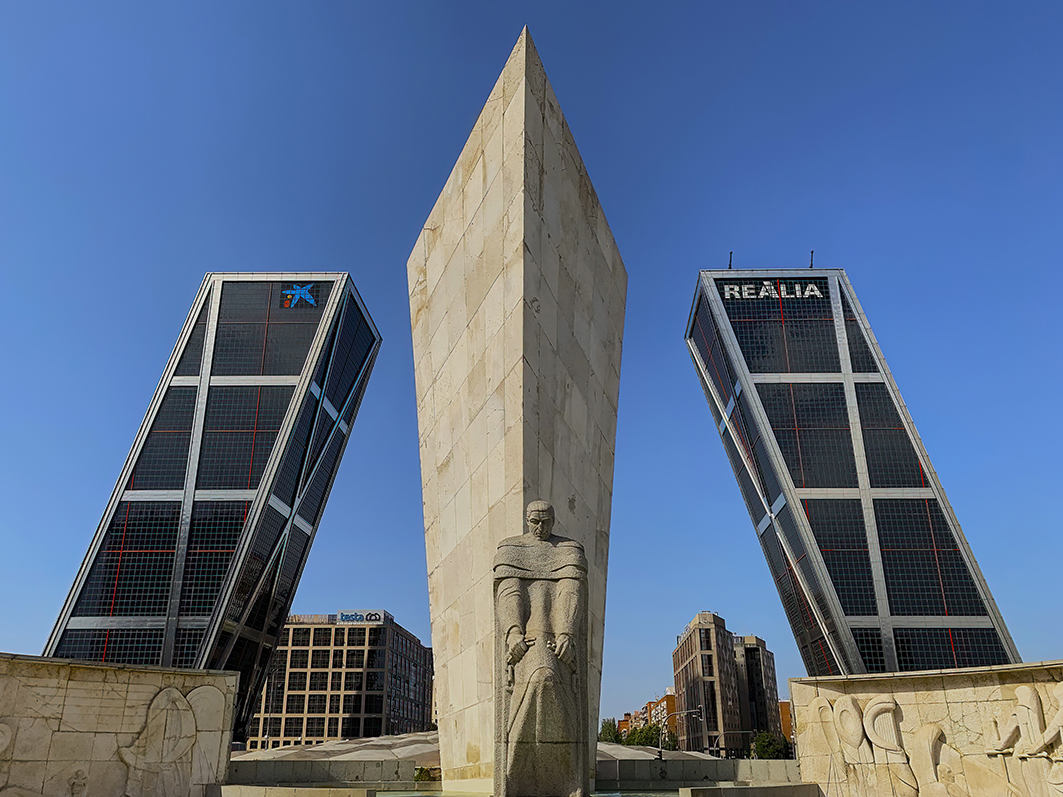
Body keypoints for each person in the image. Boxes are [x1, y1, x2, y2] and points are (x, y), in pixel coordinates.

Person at [494, 500, 587, 797]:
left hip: (557, 640)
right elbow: (510, 593)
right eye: (534, 521)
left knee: (549, 678)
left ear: (554, 521)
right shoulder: (511, 550)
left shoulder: (568, 550)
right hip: (526, 641)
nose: (539, 527)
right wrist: (512, 633)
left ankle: (567, 778)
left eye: (545, 522)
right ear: (526, 520)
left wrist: (567, 634)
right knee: (539, 677)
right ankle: (515, 776)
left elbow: (569, 592)